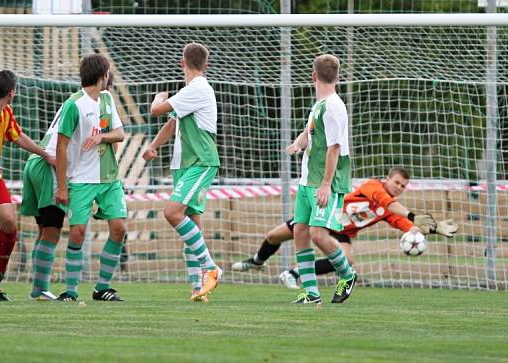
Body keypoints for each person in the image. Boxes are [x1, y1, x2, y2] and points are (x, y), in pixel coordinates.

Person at [232, 168, 459, 289]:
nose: (399, 187)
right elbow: (386, 202)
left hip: (342, 231)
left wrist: (422, 229)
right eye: (396, 182)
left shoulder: (390, 210)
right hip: (325, 215)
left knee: (347, 260)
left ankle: (294, 273)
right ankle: (257, 262)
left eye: (403, 186)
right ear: (387, 179)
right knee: (273, 236)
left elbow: (403, 223)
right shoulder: (373, 186)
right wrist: (411, 215)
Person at [22, 70, 116, 301]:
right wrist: (64, 186)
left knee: (45, 230)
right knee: (52, 230)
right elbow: (62, 148)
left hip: (36, 163)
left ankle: (39, 288)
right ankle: (41, 290)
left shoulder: (77, 102)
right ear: (104, 83)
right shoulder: (82, 105)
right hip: (48, 164)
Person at [0, 70, 55, 301]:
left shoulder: (6, 112)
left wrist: (44, 153)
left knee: (8, 220)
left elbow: (18, 136)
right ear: (12, 92)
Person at [145, 42, 222, 302]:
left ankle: (211, 268)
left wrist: (158, 98)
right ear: (207, 64)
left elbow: (157, 110)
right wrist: (153, 146)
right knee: (192, 228)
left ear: (182, 62)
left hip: (201, 162)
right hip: (184, 165)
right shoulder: (189, 92)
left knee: (171, 212)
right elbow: (172, 122)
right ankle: (197, 288)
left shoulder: (198, 88)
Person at [53, 54, 127, 302]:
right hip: (81, 179)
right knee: (77, 233)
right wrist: (62, 186)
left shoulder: (107, 99)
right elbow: (61, 146)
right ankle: (71, 291)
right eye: (108, 73)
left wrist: (101, 137)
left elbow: (119, 133)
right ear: (102, 75)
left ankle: (102, 287)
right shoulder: (73, 104)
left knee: (119, 229)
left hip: (109, 178)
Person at [285, 54, 356, 304]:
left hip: (327, 182)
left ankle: (347, 275)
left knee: (318, 235)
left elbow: (334, 148)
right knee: (300, 232)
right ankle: (312, 294)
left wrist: (326, 184)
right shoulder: (319, 105)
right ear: (337, 77)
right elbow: (310, 132)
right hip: (307, 180)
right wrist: (298, 143)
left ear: (313, 76)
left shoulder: (334, 106)